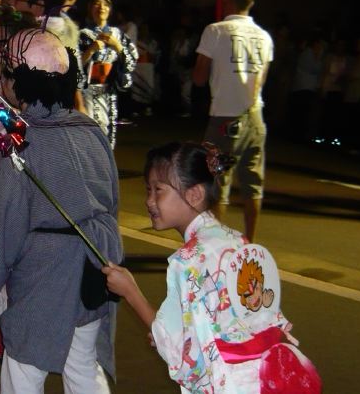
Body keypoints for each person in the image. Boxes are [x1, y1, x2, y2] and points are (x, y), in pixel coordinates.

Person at [0, 28, 123, 394]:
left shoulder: (19, 141)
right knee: (82, 362)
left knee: (23, 365)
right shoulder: (89, 128)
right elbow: (110, 199)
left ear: (17, 83)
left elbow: (2, 219)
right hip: (95, 260)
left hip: (45, 270)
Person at [101, 141, 321, 394]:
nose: (149, 200)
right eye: (147, 190)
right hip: (266, 375)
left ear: (194, 194)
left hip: (232, 382)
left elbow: (174, 345)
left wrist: (130, 291)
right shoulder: (237, 240)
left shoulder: (188, 259)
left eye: (158, 190)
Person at [192, 0, 273, 242]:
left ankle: (216, 244)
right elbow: (261, 80)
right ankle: (250, 239)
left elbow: (199, 78)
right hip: (255, 117)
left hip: (225, 118)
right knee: (252, 184)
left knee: (217, 181)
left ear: (227, 0)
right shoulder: (264, 36)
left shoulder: (215, 30)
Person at [79, 0, 138, 148]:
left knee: (107, 136)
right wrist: (90, 50)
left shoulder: (118, 35)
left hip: (108, 94)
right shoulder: (82, 35)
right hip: (87, 94)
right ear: (90, 8)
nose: (101, 8)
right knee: (87, 136)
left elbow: (131, 62)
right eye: (97, 4)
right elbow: (73, 66)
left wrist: (117, 47)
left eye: (105, 4)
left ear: (110, 9)